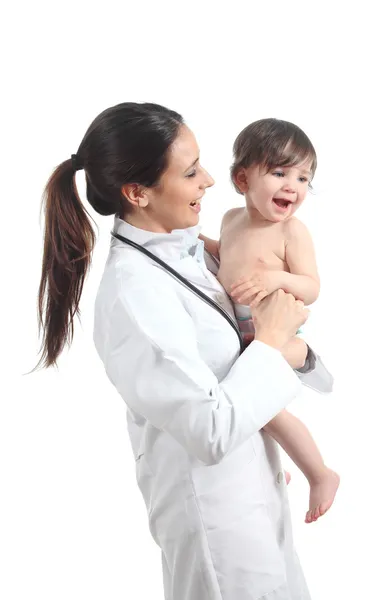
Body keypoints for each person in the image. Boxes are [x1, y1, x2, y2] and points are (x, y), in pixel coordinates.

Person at [36, 102, 324, 599]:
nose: (210, 180)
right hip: (216, 521)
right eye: (190, 172)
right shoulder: (134, 295)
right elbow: (208, 428)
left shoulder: (193, 252)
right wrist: (275, 345)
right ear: (137, 193)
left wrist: (295, 353)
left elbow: (245, 350)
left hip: (257, 493)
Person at [199, 118, 339, 524]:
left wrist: (275, 278)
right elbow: (228, 255)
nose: (292, 186)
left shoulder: (292, 232)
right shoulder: (230, 219)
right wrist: (197, 243)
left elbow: (311, 287)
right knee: (248, 410)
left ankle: (321, 474)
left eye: (302, 177)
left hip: (278, 336)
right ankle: (274, 468)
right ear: (242, 179)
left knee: (268, 412)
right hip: (241, 336)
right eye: (279, 172)